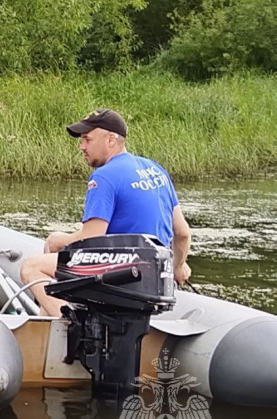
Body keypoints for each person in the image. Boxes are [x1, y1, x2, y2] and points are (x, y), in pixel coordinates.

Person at [19, 109, 192, 316]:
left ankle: (69, 324)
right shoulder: (156, 170)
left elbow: (91, 239)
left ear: (110, 139)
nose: (81, 147)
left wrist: (60, 240)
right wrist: (177, 266)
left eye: (87, 139)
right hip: (152, 274)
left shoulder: (103, 177)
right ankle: (50, 326)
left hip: (120, 272)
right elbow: (182, 233)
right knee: (52, 289)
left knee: (30, 267)